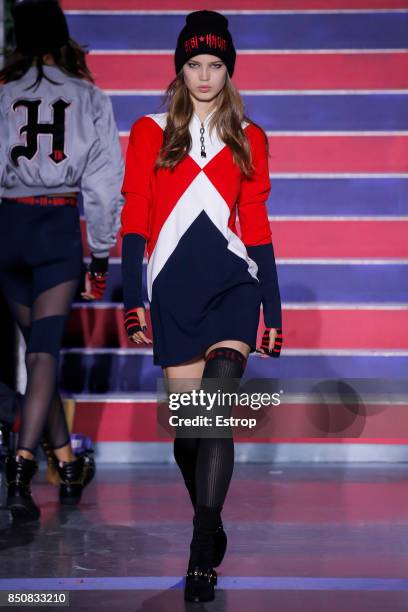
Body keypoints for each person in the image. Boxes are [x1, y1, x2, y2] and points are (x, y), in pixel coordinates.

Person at [120, 10, 283, 603]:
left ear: (229, 70)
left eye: (216, 65)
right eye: (195, 64)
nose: (206, 76)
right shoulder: (148, 131)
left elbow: (259, 230)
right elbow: (135, 217)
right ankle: (211, 522)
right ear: (181, 68)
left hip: (233, 289)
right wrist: (133, 297)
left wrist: (273, 312)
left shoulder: (251, 136)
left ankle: (200, 550)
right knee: (188, 433)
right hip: (173, 291)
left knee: (214, 411)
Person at [0, 0, 124, 521]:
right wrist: (100, 254)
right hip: (55, 233)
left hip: (8, 231)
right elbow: (102, 185)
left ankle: (68, 462)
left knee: (36, 354)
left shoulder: (2, 93)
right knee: (43, 354)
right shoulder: (89, 97)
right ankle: (22, 467)